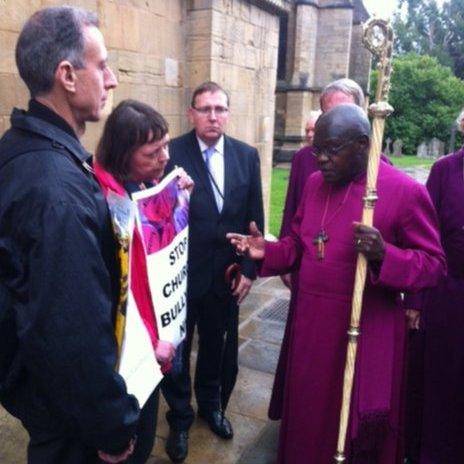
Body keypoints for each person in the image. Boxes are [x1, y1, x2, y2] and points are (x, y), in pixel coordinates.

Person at [227, 104, 446, 463]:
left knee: (350, 429)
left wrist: (384, 255)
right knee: (308, 423)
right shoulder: (315, 184)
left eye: (332, 150)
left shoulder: (402, 191)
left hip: (365, 331)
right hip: (312, 330)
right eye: (317, 151)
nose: (322, 159)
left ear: (362, 144)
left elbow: (434, 265)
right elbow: (299, 246)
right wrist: (265, 251)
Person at [0, 7, 139, 464]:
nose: (112, 79)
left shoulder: (24, 146)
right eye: (101, 66)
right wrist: (114, 428)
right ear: (68, 76)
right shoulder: (55, 189)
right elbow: (70, 333)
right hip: (70, 426)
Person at [161, 81, 264, 463]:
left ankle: (211, 407)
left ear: (228, 113)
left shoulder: (246, 155)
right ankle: (180, 418)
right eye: (205, 109)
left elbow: (255, 218)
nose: (213, 116)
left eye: (220, 109)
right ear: (191, 113)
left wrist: (251, 270)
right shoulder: (173, 155)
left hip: (227, 275)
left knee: (216, 349)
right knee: (178, 351)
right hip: (182, 275)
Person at [94, 99, 193, 464]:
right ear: (123, 153)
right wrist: (150, 342)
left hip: (154, 347)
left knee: (145, 441)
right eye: (153, 151)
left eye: (166, 145)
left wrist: (176, 201)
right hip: (126, 358)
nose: (165, 156)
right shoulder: (100, 199)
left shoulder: (140, 184)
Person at [269, 78, 366, 420]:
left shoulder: (388, 182)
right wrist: (277, 258)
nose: (322, 151)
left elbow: (426, 260)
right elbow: (294, 221)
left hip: (351, 306)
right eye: (324, 114)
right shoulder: (308, 168)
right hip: (309, 290)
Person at [404, 113, 464, 464]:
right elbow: (421, 238)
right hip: (446, 294)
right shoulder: (445, 171)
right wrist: (414, 299)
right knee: (439, 381)